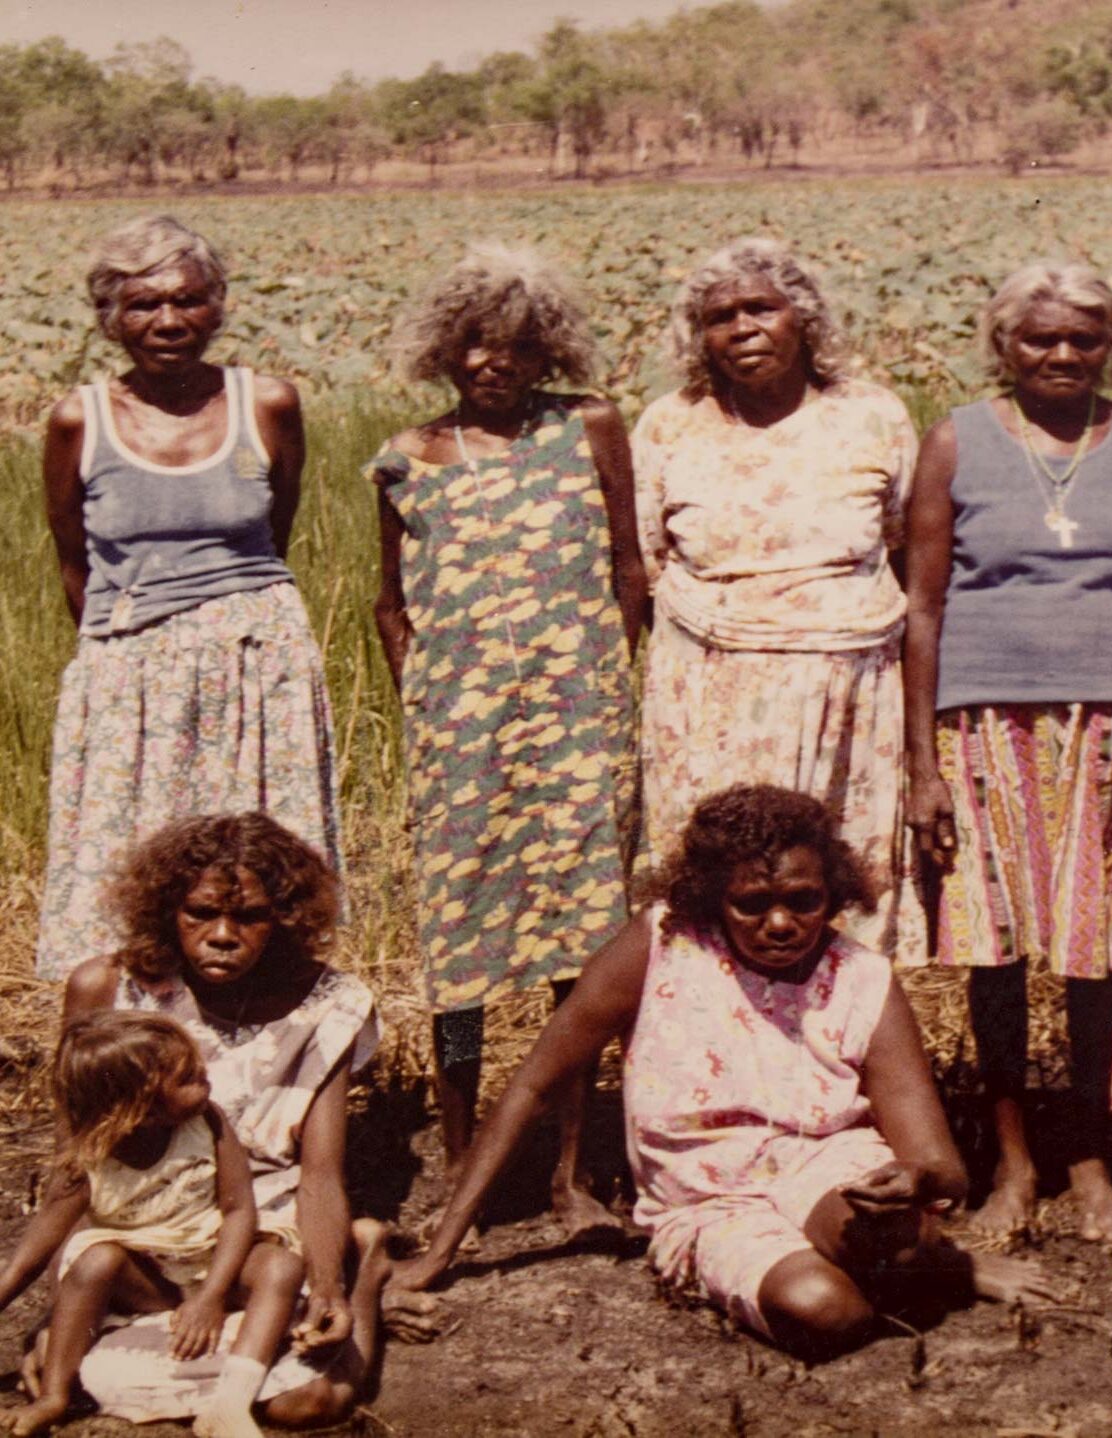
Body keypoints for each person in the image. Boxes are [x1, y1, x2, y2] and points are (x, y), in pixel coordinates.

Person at [390, 785, 1056, 1358]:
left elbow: (942, 1166)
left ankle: (928, 1262)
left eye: (803, 900)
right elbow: (534, 1083)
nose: (779, 923)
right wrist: (441, 1248)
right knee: (828, 1310)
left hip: (824, 1163)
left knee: (895, 1238)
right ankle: (902, 1271)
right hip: (707, 1197)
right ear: (711, 897)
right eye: (751, 904)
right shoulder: (662, 945)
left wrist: (914, 1180)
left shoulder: (861, 979)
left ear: (834, 893)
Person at [903, 261, 1112, 1241]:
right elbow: (924, 606)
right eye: (1039, 339)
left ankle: (1090, 1160)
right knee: (994, 958)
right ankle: (1014, 1167)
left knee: (1097, 960)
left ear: (1109, 344)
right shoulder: (955, 440)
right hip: (987, 729)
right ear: (1005, 347)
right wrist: (922, 765)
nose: (1061, 355)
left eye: (1082, 338)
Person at [368, 240, 644, 1232]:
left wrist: (605, 687)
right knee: (460, 947)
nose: (495, 363)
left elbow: (627, 569)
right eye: (476, 346)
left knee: (583, 934)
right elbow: (389, 607)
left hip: (577, 722)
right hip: (462, 737)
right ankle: (458, 1161)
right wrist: (433, 710)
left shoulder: (590, 428)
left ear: (546, 354)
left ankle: (573, 1172)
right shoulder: (407, 456)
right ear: (447, 350)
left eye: (518, 346)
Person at [36, 213, 341, 980]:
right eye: (142, 305)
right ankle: (134, 1067)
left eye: (188, 300)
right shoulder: (82, 419)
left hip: (256, 666)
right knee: (135, 877)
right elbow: (77, 565)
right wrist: (136, 662)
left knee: (255, 870)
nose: (168, 321)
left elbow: (275, 533)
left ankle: (267, 1054)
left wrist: (225, 627)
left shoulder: (266, 403)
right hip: (131, 674)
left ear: (218, 305)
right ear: (111, 318)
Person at [633, 237, 919, 960]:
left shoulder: (874, 415)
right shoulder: (670, 422)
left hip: (848, 690)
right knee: (721, 885)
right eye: (719, 315)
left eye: (762, 307)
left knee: (832, 882)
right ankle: (709, 1054)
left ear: (805, 318)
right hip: (706, 692)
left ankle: (833, 1055)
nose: (742, 327)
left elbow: (905, 545)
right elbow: (646, 564)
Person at [59, 812, 394, 1428]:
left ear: (285, 920)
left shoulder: (330, 1006)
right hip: (145, 1233)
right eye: (200, 913)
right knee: (82, 1379)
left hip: (263, 1238)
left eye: (249, 918)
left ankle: (366, 1265)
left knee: (311, 1404)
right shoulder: (107, 989)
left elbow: (320, 1173)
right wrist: (57, 1319)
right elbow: (77, 1166)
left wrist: (329, 1288)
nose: (221, 935)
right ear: (166, 910)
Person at [0, 1014, 304, 1438]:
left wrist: (212, 1296)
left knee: (281, 1267)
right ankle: (54, 1396)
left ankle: (230, 1404)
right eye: (189, 1079)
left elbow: (239, 1211)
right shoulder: (89, 1158)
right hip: (149, 1281)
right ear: (140, 1107)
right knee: (93, 1261)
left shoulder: (208, 1121)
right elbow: (35, 1250)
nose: (207, 1081)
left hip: (216, 1262)